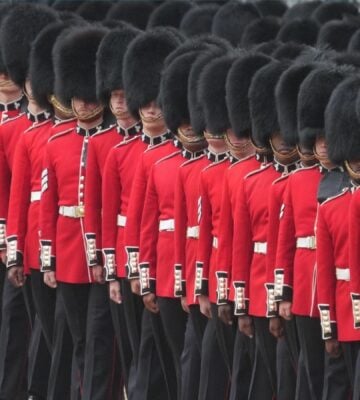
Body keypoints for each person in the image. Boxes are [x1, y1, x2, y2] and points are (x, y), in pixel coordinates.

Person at [40, 26, 108, 398]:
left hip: (97, 253)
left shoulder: (112, 144)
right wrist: (48, 261)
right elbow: (47, 206)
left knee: (98, 337)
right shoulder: (55, 144)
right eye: (78, 97)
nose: (83, 103)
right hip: (67, 254)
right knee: (79, 335)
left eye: (89, 95)